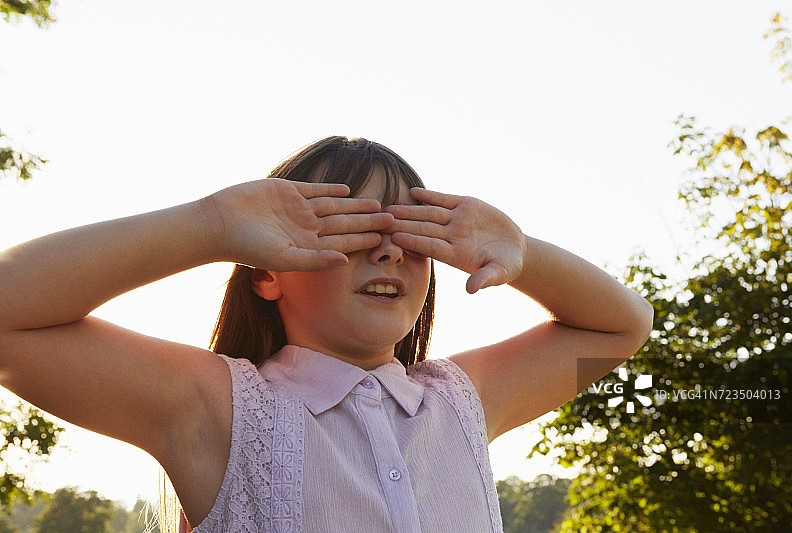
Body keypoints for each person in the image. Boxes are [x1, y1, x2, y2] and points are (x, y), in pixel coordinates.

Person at [0, 136, 653, 532]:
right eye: (353, 229)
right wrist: (209, 225)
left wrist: (525, 252)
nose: (389, 253)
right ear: (267, 273)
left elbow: (623, 324)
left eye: (409, 236)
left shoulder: (460, 399)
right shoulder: (224, 409)